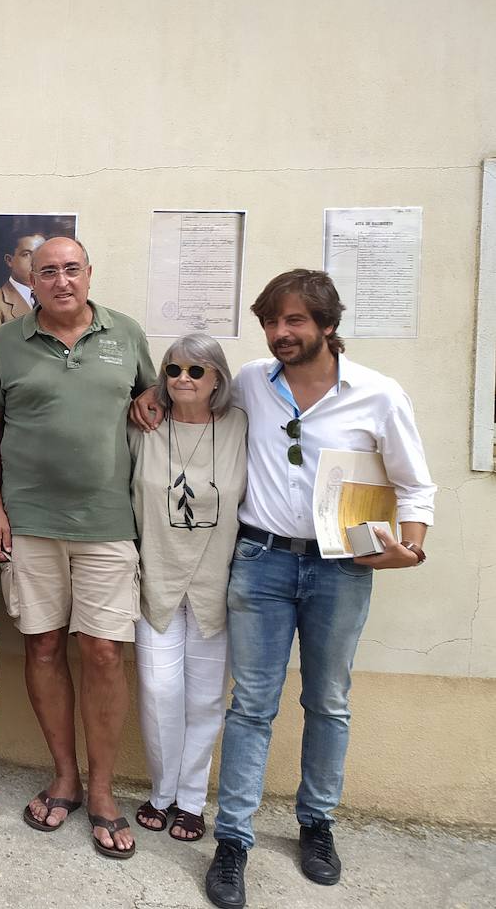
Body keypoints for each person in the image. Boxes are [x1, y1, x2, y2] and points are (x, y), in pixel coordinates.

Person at [155, 271, 433, 909]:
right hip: (259, 562)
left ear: (328, 326)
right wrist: (152, 395)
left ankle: (316, 824)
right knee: (251, 704)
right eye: (272, 322)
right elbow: (191, 387)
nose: (281, 334)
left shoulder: (380, 396)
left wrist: (409, 549)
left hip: (343, 568)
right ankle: (233, 841)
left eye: (295, 322)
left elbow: (415, 485)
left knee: (328, 701)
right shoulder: (252, 379)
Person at [0, 235, 154, 858]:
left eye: (71, 269)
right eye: (47, 270)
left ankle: (104, 790)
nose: (60, 280)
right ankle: (65, 777)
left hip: (108, 524)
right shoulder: (5, 344)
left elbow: (151, 405)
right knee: (44, 646)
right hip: (29, 525)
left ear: (89, 273)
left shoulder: (126, 335)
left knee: (104, 652)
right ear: (30, 277)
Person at [127, 335, 247, 844]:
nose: (183, 379)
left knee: (204, 699)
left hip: (215, 584)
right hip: (156, 578)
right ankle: (163, 791)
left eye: (197, 371)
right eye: (173, 369)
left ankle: (192, 800)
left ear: (217, 377)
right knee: (159, 691)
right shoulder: (145, 427)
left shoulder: (242, 426)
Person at [0, 232, 45, 333]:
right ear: (9, 260)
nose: (35, 261)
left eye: (41, 254)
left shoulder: (54, 296)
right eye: (26, 254)